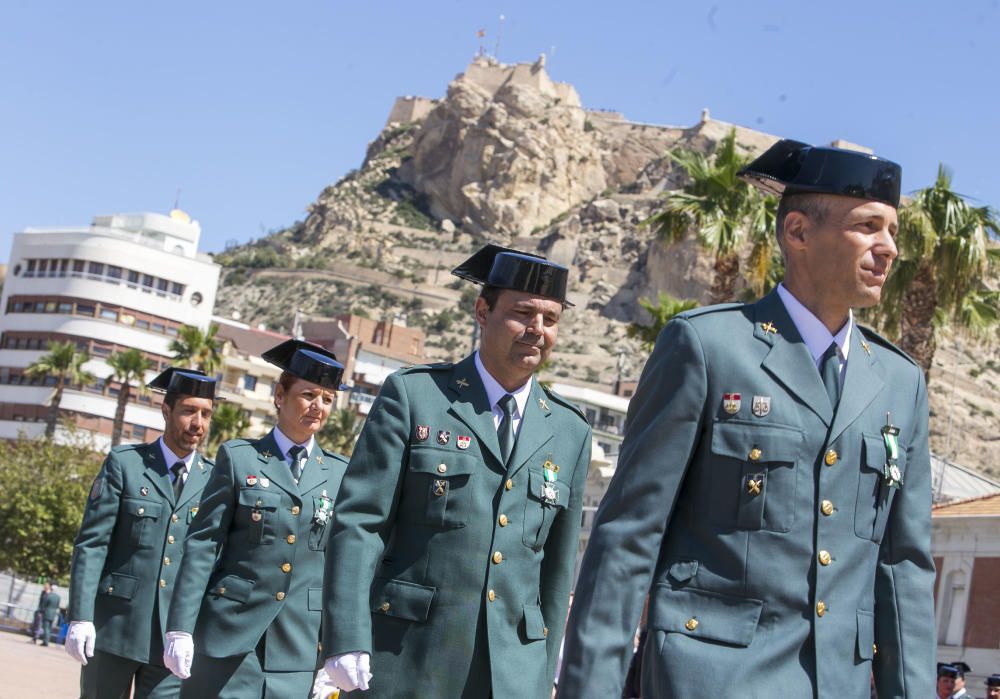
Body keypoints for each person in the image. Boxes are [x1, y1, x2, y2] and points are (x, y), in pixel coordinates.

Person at [557, 140, 936, 698]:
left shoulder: (901, 383)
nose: (889, 249)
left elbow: (903, 568)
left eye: (893, 232)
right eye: (868, 227)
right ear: (799, 232)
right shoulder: (709, 347)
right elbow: (628, 540)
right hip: (709, 680)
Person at [315, 246, 593, 698]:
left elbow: (557, 574)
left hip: (511, 676)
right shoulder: (416, 395)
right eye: (523, 313)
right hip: (407, 660)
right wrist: (346, 635)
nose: (537, 331)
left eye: (551, 319)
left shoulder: (570, 430)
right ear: (482, 311)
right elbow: (360, 523)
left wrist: (541, 680)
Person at [164, 339, 349, 698]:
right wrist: (180, 628)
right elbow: (203, 545)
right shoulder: (239, 458)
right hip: (229, 639)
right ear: (280, 394)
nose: (318, 407)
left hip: (297, 646)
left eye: (327, 400)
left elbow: (342, 565)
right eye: (309, 395)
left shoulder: (340, 474)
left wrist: (334, 649)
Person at [65, 368, 217, 698]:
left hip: (174, 638)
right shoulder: (126, 464)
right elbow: (93, 543)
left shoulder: (215, 480)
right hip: (114, 628)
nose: (198, 424)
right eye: (189, 411)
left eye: (206, 413)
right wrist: (80, 616)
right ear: (166, 411)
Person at [32, 581, 60, 646]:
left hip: (46, 613)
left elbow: (43, 605)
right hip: (53, 614)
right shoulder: (57, 597)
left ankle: (45, 641)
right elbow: (57, 606)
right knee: (49, 628)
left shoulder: (48, 596)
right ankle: (46, 641)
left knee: (46, 628)